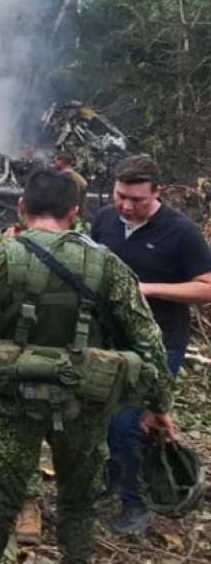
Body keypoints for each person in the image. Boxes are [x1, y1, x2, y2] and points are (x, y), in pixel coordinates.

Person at [0, 169, 178, 564]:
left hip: (11, 403)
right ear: (75, 213)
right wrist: (159, 405)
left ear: (22, 207)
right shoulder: (106, 264)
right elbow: (149, 341)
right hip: (83, 403)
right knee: (78, 505)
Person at [89, 155, 211, 535]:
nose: (126, 205)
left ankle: (135, 504)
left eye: (137, 200)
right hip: (108, 341)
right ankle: (110, 479)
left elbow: (207, 286)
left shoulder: (180, 232)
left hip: (159, 345)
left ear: (157, 193)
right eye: (121, 195)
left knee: (130, 422)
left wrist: (147, 290)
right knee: (102, 417)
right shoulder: (105, 220)